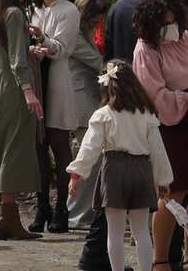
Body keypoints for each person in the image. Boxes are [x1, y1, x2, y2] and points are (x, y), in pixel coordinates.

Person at [79, 0, 180, 271]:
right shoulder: (170, 9)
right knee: (155, 204)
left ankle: (94, 255)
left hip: (119, 103)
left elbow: (109, 58)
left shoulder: (120, 7)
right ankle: (164, 258)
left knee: (112, 209)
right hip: (156, 107)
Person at [69, 60, 173, 271]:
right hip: (141, 170)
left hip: (114, 171)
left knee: (115, 232)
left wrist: (76, 174)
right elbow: (158, 150)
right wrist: (163, 180)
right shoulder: (147, 114)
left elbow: (90, 147)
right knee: (141, 231)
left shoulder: (104, 114)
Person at [132, 0, 188, 271]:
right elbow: (154, 96)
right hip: (169, 126)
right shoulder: (145, 50)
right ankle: (161, 261)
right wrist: (185, 98)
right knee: (172, 191)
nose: (170, 24)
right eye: (164, 20)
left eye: (173, 18)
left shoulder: (185, 39)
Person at [0, 0, 43, 240]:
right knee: (14, 150)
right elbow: (18, 60)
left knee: (1, 149)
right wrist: (28, 90)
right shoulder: (16, 13)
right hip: (14, 89)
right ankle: (9, 219)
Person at [29, 0, 80, 232]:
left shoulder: (68, 10)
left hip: (56, 83)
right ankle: (41, 207)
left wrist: (41, 38)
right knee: (38, 147)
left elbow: (61, 49)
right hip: (36, 82)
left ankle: (62, 208)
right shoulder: (31, 8)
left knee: (59, 146)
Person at [67, 0, 109, 228]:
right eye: (94, 21)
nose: (97, 25)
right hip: (80, 99)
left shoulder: (85, 32)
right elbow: (98, 63)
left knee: (91, 156)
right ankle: (77, 215)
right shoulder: (74, 35)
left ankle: (83, 212)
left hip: (88, 96)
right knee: (89, 158)